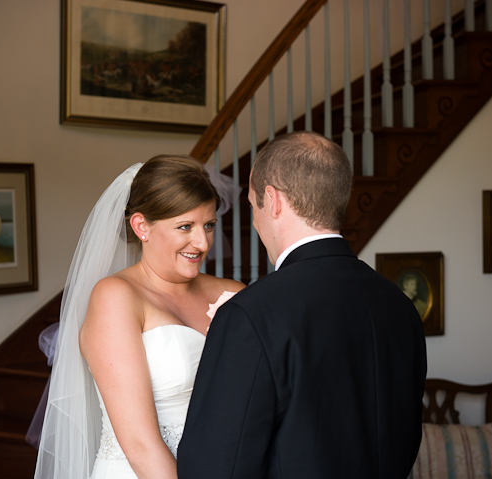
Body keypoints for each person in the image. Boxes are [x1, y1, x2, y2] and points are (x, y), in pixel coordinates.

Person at [177, 131, 427, 479]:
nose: (254, 219)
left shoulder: (250, 314)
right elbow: (405, 438)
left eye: (252, 205)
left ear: (273, 200)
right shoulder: (400, 307)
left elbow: (215, 467)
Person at [33, 155, 244, 479]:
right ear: (141, 226)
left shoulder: (233, 293)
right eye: (185, 226)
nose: (202, 243)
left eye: (209, 225)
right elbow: (140, 445)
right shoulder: (115, 298)